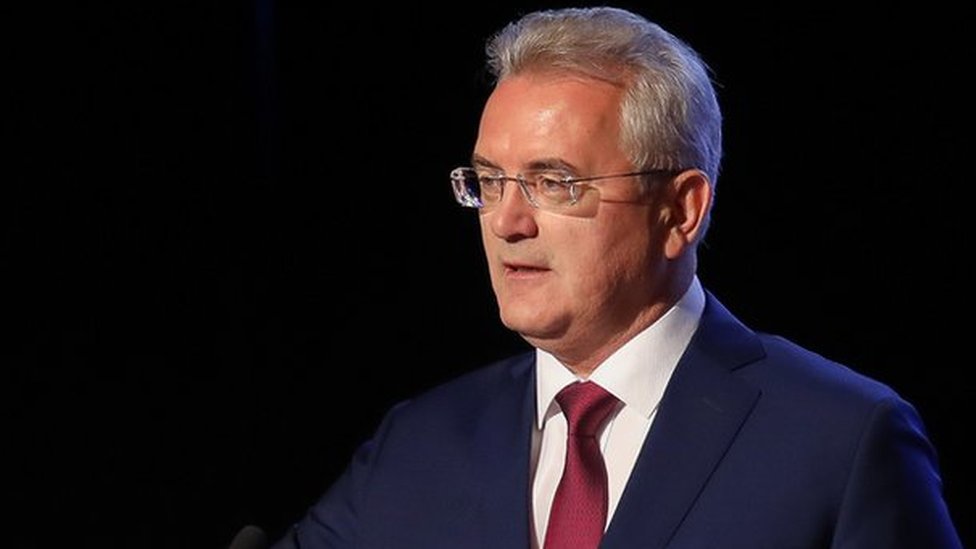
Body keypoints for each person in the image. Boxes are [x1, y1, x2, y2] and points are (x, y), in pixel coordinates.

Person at [269, 6, 961, 548]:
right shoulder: (418, 443)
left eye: (554, 183)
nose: (506, 221)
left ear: (681, 210)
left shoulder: (841, 441)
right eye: (489, 181)